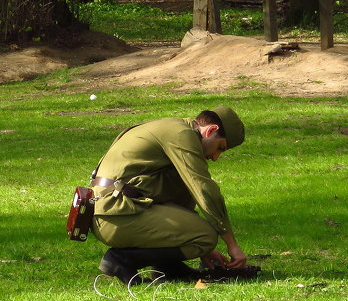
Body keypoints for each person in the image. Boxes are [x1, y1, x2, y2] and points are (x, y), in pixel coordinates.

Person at [90, 106, 248, 284]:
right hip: (115, 215)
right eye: (220, 147)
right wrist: (231, 245)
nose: (215, 157)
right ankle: (121, 260)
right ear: (211, 130)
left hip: (116, 211)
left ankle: (168, 268)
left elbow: (176, 193)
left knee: (187, 195)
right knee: (206, 236)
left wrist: (199, 247)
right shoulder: (182, 134)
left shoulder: (174, 129)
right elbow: (204, 189)